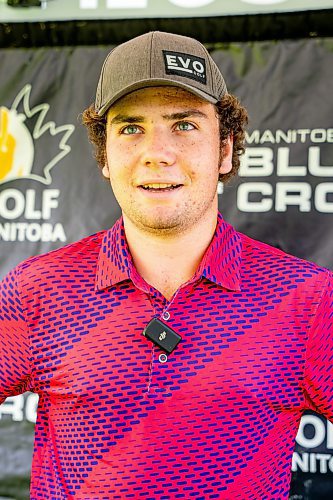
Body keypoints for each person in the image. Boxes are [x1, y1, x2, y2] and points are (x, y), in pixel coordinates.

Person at [0, 31, 332, 500]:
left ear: (224, 149)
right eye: (131, 127)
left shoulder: (308, 298)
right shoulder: (39, 288)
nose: (157, 152)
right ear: (105, 157)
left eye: (184, 125)